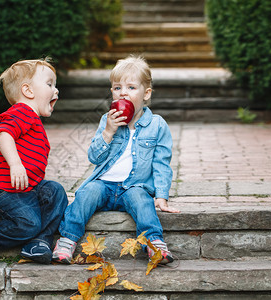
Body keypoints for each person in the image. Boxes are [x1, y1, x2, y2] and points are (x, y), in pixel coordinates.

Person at [52, 55, 180, 265]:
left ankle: (155, 243)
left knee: (143, 202)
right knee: (85, 194)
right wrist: (108, 132)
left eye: (131, 87)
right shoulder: (107, 120)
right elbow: (94, 157)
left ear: (146, 94)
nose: (123, 93)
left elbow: (161, 164)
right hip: (104, 185)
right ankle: (67, 240)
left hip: (135, 186)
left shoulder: (157, 125)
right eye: (117, 88)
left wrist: (161, 196)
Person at [0, 58, 68, 266]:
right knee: (28, 222)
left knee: (55, 191)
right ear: (28, 91)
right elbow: (3, 134)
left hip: (25, 189)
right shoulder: (22, 112)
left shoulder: (33, 120)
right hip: (1, 190)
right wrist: (15, 164)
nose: (56, 91)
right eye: (49, 84)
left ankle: (39, 242)